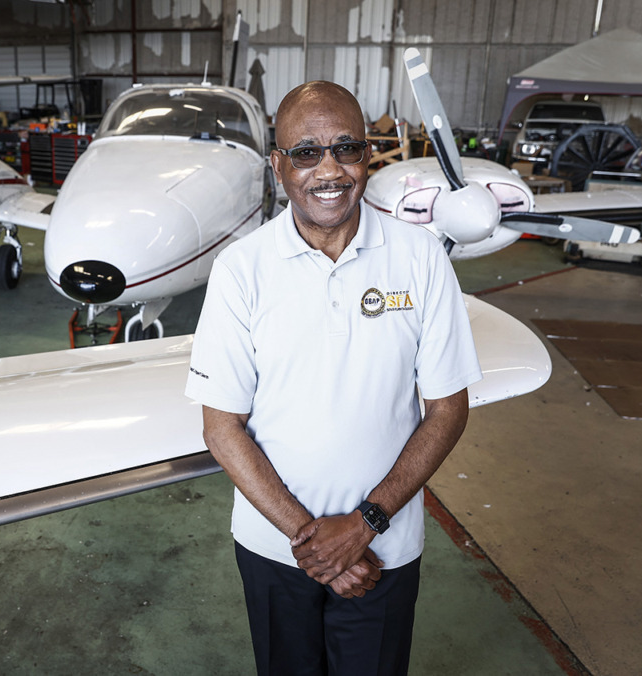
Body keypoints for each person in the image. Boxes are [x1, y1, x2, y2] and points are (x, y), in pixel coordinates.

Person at [184, 80, 482, 676]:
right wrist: (317, 544)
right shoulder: (242, 271)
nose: (329, 169)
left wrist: (365, 525)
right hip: (274, 550)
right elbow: (222, 426)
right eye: (306, 152)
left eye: (346, 148)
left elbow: (448, 409)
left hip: (385, 551)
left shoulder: (420, 259)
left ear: (368, 156)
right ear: (278, 165)